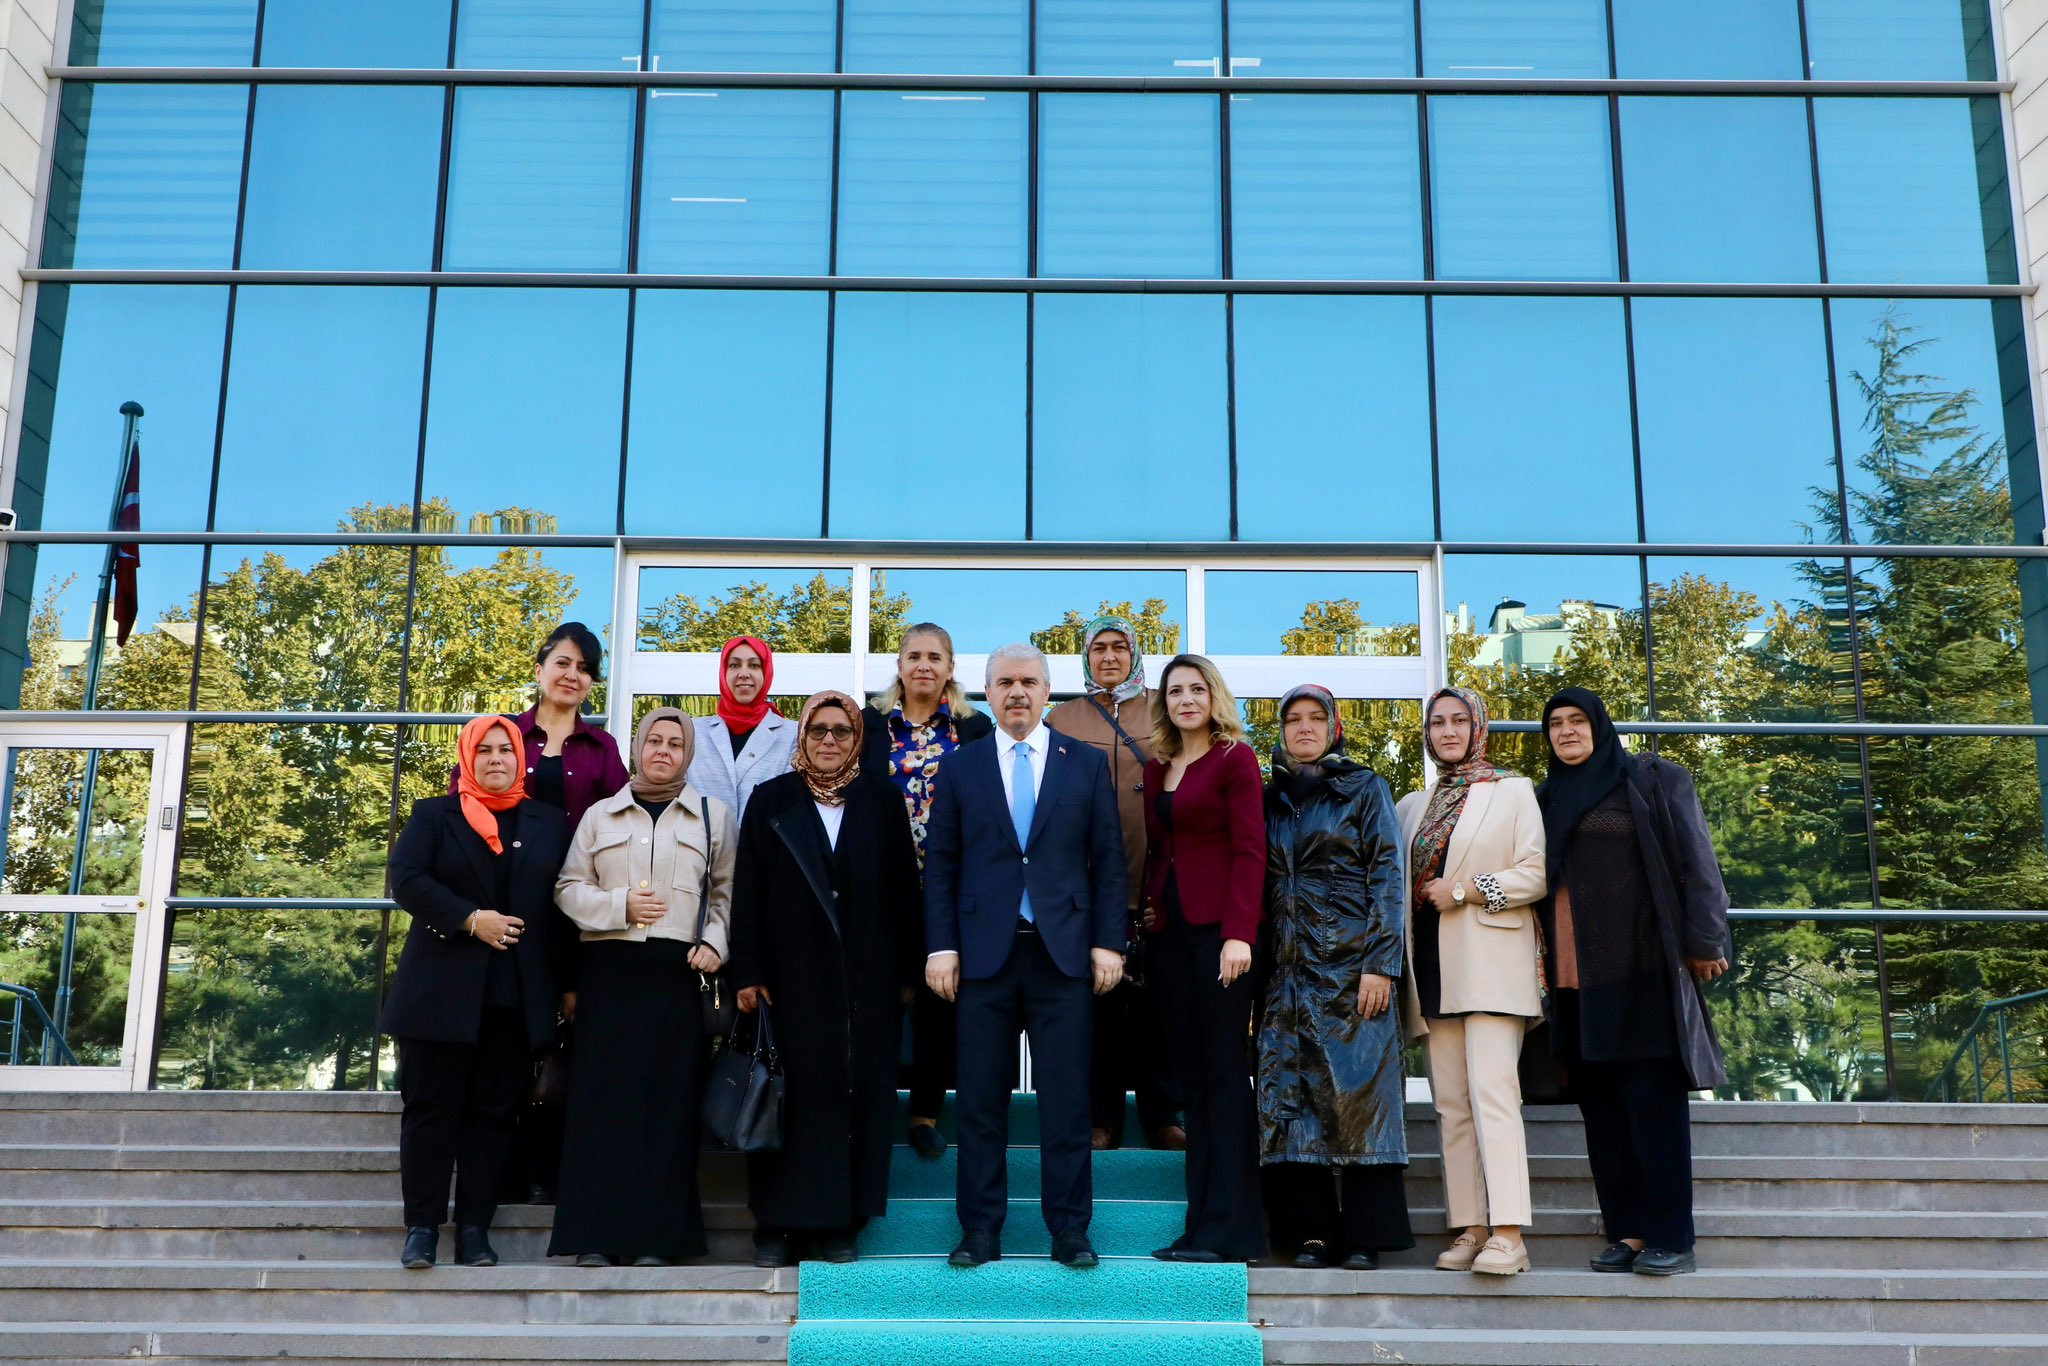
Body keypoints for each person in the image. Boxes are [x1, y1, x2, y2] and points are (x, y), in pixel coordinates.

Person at [924, 642, 1128, 1270]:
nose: (1017, 692)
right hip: (981, 957)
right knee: (980, 1103)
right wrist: (941, 946)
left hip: (1062, 956)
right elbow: (942, 865)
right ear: (987, 693)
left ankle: (1070, 1231)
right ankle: (980, 1231)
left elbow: (1109, 861)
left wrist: (1107, 942)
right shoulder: (960, 767)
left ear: (1046, 691)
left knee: (1066, 1102)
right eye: (1005, 682)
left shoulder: (1084, 763)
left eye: (1029, 682)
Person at [1536, 686, 1732, 1278]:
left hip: (1642, 969)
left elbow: (1699, 863)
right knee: (1603, 1116)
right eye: (1555, 724)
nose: (1566, 732)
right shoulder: (1545, 798)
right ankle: (1626, 1232)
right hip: (1575, 981)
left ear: (1599, 726)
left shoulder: (1650, 780)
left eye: (1577, 720)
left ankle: (1672, 1238)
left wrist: (1706, 941)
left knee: (1653, 1111)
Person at [728, 693, 924, 1267]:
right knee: (788, 1099)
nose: (830, 740)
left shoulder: (881, 800)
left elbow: (904, 892)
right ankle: (775, 1227)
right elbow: (748, 891)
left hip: (867, 983)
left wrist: (907, 973)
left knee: (855, 1101)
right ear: (803, 736)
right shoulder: (771, 798)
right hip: (788, 981)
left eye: (842, 731)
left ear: (857, 739)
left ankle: (842, 1224)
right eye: (818, 730)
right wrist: (749, 970)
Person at [548, 707, 737, 1268]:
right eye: (654, 740)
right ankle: (596, 1236)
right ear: (637, 748)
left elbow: (729, 894)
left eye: (675, 743)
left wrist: (716, 944)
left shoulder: (714, 817)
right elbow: (566, 888)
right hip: (608, 973)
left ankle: (659, 1239)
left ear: (688, 755)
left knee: (668, 1104)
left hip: (678, 976)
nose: (663, 750)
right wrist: (619, 906)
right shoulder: (599, 815)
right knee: (602, 1103)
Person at [384, 715, 572, 1270]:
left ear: (521, 759)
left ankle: (474, 1231)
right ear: (468, 757)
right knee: (430, 1109)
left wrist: (567, 986)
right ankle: (422, 1228)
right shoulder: (434, 815)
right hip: (438, 992)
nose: (495, 759)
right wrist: (470, 919)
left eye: (505, 750)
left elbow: (562, 907)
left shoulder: (549, 822)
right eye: (484, 750)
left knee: (493, 1115)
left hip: (513, 995)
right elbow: (406, 879)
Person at [1259, 684, 1413, 1271]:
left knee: (1358, 1099)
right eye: (1292, 719)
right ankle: (1312, 1234)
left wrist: (1381, 964)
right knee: (1293, 1099)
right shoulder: (1270, 798)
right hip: (1286, 975)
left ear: (1333, 727)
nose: (1303, 728)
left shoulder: (1365, 787)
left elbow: (1388, 877)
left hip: (1352, 969)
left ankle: (1366, 1237)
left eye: (1314, 718)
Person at [1394, 687, 1547, 1276]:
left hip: (1490, 963)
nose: (1448, 731)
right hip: (1431, 967)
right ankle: (1470, 1227)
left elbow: (1536, 873)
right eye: (1438, 722)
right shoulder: (1414, 804)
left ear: (1478, 726)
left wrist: (1464, 890)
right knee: (1451, 1105)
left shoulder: (1512, 790)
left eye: (1459, 720)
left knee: (1493, 1095)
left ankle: (1509, 1233)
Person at [1141, 654, 1268, 1264]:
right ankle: (1199, 1228)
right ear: (1163, 703)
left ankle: (1233, 1230)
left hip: (1223, 938)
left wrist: (1240, 933)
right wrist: (1149, 907)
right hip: (1171, 939)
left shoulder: (1235, 759)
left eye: (1196, 689)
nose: (1186, 699)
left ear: (1214, 697)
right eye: (1175, 691)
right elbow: (1161, 850)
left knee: (1223, 1078)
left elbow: (1251, 849)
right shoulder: (1157, 767)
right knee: (1192, 1081)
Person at [1045, 615, 1184, 1153]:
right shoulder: (1062, 718)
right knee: (1098, 1008)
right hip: (1089, 888)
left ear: (1135, 655)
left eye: (1119, 647)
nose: (1108, 657)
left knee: (1159, 1007)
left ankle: (1162, 1114)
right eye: (1098, 648)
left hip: (1158, 881)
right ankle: (1100, 1116)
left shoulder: (1164, 709)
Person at [857, 623, 993, 1159]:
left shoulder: (974, 729)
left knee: (941, 999)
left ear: (950, 667)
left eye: (935, 657)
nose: (923, 665)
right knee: (881, 995)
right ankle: (873, 1107)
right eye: (913, 655)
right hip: (882, 885)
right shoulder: (868, 724)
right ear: (899, 664)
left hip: (952, 885)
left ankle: (925, 1115)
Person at [689, 634, 797, 822]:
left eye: (754, 665)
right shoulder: (693, 731)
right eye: (734, 665)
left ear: (766, 672)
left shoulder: (793, 734)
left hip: (763, 841)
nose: (744, 673)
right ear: (723, 672)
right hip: (703, 840)